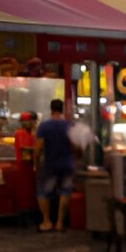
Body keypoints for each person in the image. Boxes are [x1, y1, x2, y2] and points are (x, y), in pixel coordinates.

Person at [34, 99, 73, 232]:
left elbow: (38, 148)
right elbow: (74, 146)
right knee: (65, 192)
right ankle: (60, 223)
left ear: (51, 109)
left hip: (49, 165)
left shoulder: (44, 126)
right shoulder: (68, 125)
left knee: (43, 192)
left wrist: (35, 163)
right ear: (62, 109)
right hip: (66, 164)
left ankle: (46, 221)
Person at [13, 112, 37, 215]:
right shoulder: (20, 133)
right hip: (24, 165)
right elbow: (25, 149)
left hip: (31, 165)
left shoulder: (32, 132)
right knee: (25, 190)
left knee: (31, 189)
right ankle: (25, 210)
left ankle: (30, 209)